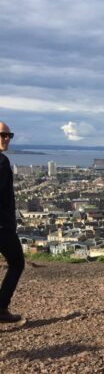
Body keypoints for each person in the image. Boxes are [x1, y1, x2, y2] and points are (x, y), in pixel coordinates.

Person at [0, 121, 25, 322]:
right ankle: (1, 307)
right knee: (16, 262)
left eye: (9, 135)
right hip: (1, 226)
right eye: (2, 135)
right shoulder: (1, 162)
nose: (6, 139)